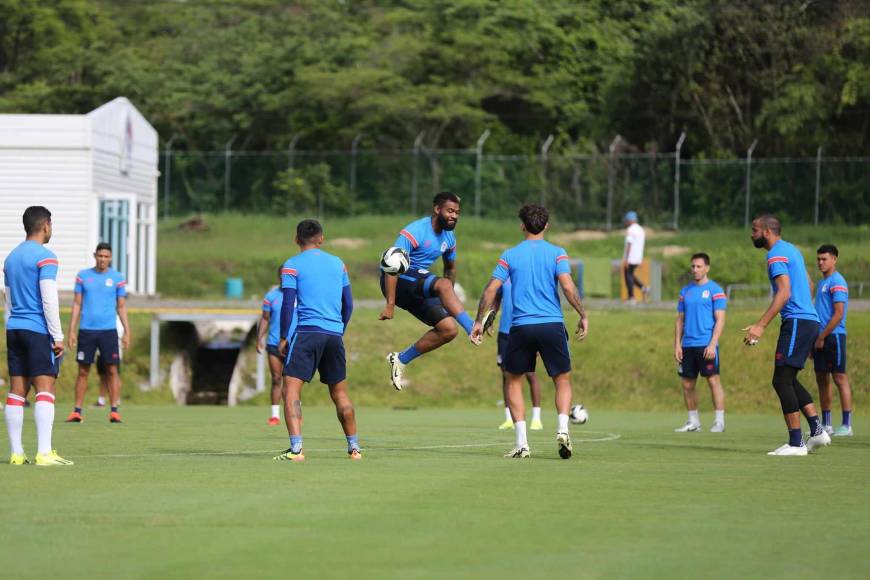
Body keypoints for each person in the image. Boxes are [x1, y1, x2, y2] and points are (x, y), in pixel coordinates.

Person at [472, 204, 589, 459]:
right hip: (552, 325)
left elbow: (491, 289)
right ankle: (562, 429)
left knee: (513, 380)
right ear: (546, 226)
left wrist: (479, 320)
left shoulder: (510, 255)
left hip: (521, 326)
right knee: (562, 379)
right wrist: (582, 314)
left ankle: (522, 443)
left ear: (522, 226)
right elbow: (568, 287)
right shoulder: (558, 253)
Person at [743, 214, 830, 456]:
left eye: (754, 230)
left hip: (798, 322)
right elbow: (809, 286)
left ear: (767, 232)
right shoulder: (791, 250)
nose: (752, 234)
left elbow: (783, 293)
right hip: (807, 320)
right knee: (788, 378)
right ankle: (816, 431)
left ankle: (795, 443)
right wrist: (805, 308)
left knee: (781, 380)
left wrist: (760, 325)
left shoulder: (775, 255)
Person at [274, 219, 360, 462]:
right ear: (321, 238)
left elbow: (288, 304)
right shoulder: (338, 264)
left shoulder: (291, 266)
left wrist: (283, 337)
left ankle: (296, 449)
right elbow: (349, 303)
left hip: (307, 333)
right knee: (340, 394)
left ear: (296, 239)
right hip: (334, 335)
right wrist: (339, 328)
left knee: (291, 390)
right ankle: (355, 448)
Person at [380, 192, 477, 390]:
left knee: (449, 329)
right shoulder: (415, 231)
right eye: (450, 211)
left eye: (457, 212)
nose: (454, 216)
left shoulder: (449, 238)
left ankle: (400, 359)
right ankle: (473, 327)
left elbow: (450, 269)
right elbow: (391, 266)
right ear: (437, 209)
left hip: (418, 286)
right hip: (396, 281)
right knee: (442, 285)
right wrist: (390, 304)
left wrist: (447, 301)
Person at [3, 206, 72, 465]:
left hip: (14, 327)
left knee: (17, 391)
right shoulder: (46, 257)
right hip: (37, 329)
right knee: (45, 387)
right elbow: (49, 301)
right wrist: (58, 336)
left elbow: (8, 299)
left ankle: (16, 454)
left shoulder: (10, 258)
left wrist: (13, 323)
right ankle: (44, 452)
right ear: (45, 225)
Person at [65, 243, 130, 424]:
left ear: (110, 258)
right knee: (83, 371)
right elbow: (77, 304)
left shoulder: (117, 278)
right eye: (100, 256)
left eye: (106, 256)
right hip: (87, 330)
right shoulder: (83, 276)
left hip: (108, 331)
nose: (102, 259)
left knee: (112, 370)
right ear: (95, 256)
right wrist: (71, 330)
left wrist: (127, 331)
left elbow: (122, 306)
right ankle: (77, 411)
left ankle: (114, 411)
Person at [673, 253, 727, 433]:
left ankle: (719, 422)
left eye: (699, 266)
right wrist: (677, 345)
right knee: (687, 384)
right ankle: (693, 422)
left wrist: (713, 344)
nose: (695, 270)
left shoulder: (715, 290)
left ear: (707, 268)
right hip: (687, 345)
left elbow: (720, 319)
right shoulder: (685, 291)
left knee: (713, 381)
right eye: (693, 267)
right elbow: (680, 320)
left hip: (706, 344)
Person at [489, 278, 543, 431]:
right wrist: (490, 319)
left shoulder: (529, 276)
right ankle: (508, 418)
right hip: (505, 333)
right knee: (506, 374)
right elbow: (496, 299)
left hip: (525, 330)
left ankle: (536, 418)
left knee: (530, 373)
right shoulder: (503, 279)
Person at [813, 244, 852, 437]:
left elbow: (838, 314)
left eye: (824, 259)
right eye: (818, 259)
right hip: (820, 339)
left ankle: (846, 425)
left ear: (834, 259)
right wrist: (815, 338)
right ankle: (827, 424)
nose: (820, 262)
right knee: (822, 379)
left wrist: (822, 336)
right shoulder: (822, 283)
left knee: (839, 378)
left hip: (834, 336)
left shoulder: (838, 281)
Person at [257, 267, 292, 426]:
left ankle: (296, 413)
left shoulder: (300, 295)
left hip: (294, 344)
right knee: (276, 378)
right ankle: (275, 416)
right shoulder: (271, 297)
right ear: (279, 277)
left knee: (293, 382)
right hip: (273, 343)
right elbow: (265, 318)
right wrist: (259, 338)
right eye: (282, 276)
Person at [622, 211, 649, 304]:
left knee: (628, 275)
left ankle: (631, 297)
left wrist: (626, 259)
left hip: (631, 257)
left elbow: (629, 244)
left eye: (626, 220)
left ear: (630, 220)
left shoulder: (630, 230)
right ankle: (644, 288)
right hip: (638, 257)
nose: (626, 222)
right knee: (630, 275)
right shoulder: (641, 230)